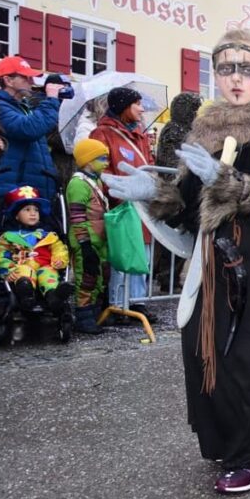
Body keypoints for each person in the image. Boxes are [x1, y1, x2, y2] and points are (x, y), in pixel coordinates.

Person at [103, 29, 250, 494]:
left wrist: (228, 180)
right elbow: (188, 204)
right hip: (212, 260)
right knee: (205, 348)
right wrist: (155, 193)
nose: (236, 78)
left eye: (247, 69)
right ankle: (226, 441)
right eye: (226, 68)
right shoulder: (205, 128)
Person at [91, 87, 157, 322]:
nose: (142, 109)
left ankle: (137, 301)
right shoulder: (102, 133)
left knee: (141, 252)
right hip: (122, 204)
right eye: (137, 104)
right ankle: (119, 303)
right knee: (123, 251)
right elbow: (101, 167)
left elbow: (150, 164)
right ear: (123, 107)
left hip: (142, 203)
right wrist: (117, 192)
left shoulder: (140, 135)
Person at [0, 186, 73, 313]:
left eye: (36, 210)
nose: (33, 213)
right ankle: (26, 296)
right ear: (16, 216)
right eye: (27, 210)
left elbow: (59, 248)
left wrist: (59, 259)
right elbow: (0, 253)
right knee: (24, 272)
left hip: (45, 266)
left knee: (49, 274)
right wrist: (8, 269)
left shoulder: (47, 234)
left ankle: (53, 296)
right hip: (21, 266)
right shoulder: (8, 236)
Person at [0, 56, 63, 200]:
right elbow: (29, 129)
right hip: (14, 189)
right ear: (8, 80)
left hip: (33, 188)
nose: (32, 82)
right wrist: (51, 100)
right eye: (26, 77)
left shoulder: (23, 107)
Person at [66, 138, 111, 334]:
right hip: (86, 242)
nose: (106, 162)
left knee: (100, 278)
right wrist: (84, 245)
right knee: (86, 278)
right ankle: (83, 317)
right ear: (88, 161)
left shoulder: (96, 180)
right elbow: (77, 217)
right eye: (102, 158)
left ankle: (93, 314)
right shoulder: (78, 184)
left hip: (99, 239)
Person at [156, 92, 203, 169]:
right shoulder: (174, 130)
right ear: (186, 111)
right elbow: (173, 161)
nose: (196, 114)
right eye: (194, 110)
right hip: (174, 174)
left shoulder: (181, 127)